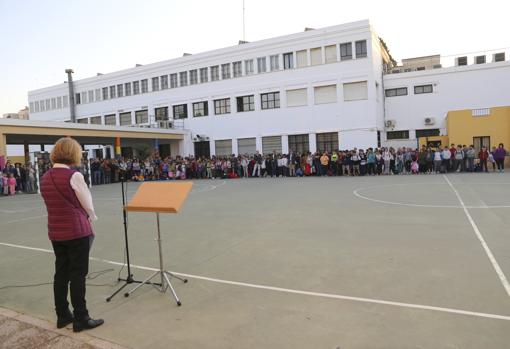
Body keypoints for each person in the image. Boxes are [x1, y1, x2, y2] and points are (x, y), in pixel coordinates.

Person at [40, 137, 104, 332]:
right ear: (73, 153)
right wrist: (91, 216)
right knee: (78, 275)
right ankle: (81, 318)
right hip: (76, 231)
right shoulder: (74, 176)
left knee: (61, 273)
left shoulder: (45, 177)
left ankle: (62, 315)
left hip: (56, 231)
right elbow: (88, 204)